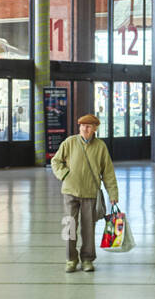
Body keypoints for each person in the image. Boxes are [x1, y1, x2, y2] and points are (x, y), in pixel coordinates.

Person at [51, 113, 119, 273]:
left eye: (88, 126)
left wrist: (113, 194)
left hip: (90, 193)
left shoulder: (100, 147)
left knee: (88, 228)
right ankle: (71, 259)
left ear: (95, 128)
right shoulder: (70, 142)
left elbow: (108, 173)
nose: (84, 129)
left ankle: (87, 259)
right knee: (69, 227)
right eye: (82, 126)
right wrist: (64, 174)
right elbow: (56, 161)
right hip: (70, 192)